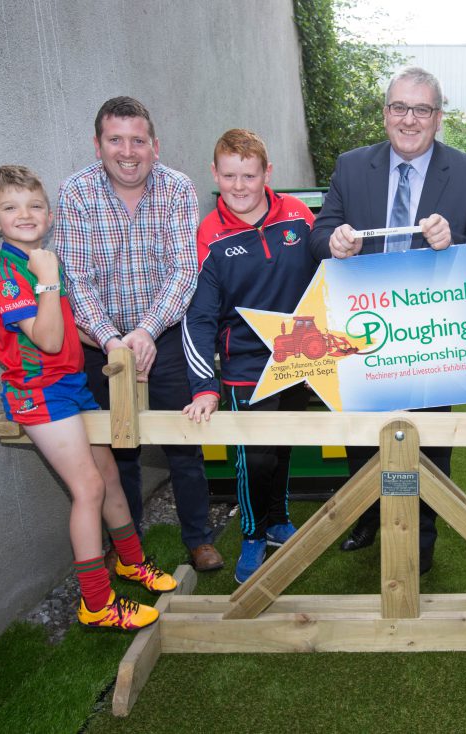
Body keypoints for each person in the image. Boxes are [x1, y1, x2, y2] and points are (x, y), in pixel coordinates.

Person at [309, 66, 466, 572]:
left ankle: (420, 541)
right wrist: (332, 242)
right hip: (361, 331)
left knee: (428, 445)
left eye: (422, 109)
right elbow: (319, 233)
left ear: (438, 117)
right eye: (400, 107)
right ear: (385, 113)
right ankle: (367, 515)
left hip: (429, 338)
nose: (410, 119)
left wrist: (454, 243)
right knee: (362, 439)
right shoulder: (352, 167)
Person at [0, 165, 177, 630]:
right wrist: (48, 279)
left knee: (108, 476)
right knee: (87, 487)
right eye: (10, 208)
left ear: (49, 215)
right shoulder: (10, 273)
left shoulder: (47, 264)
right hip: (36, 392)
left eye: (33, 206)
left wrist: (113, 342)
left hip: (69, 386)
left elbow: (68, 331)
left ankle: (129, 561)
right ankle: (95, 603)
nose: (24, 215)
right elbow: (47, 340)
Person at [54, 97, 222, 572]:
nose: (127, 152)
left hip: (164, 334)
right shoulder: (76, 193)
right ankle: (127, 546)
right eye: (115, 140)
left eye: (138, 140)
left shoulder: (177, 188)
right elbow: (75, 278)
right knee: (116, 446)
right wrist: (110, 339)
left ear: (154, 144)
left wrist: (148, 329)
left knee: (183, 440)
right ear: (97, 144)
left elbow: (184, 268)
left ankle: (199, 537)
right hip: (98, 343)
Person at [181, 129, 317, 583]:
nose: (239, 186)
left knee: (283, 447)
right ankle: (253, 533)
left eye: (249, 175)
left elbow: (331, 278)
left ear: (267, 173)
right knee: (253, 457)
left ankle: (277, 519)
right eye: (229, 175)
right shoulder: (210, 233)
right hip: (243, 367)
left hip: (299, 359)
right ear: (215, 174)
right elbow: (198, 316)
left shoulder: (299, 216)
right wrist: (205, 385)